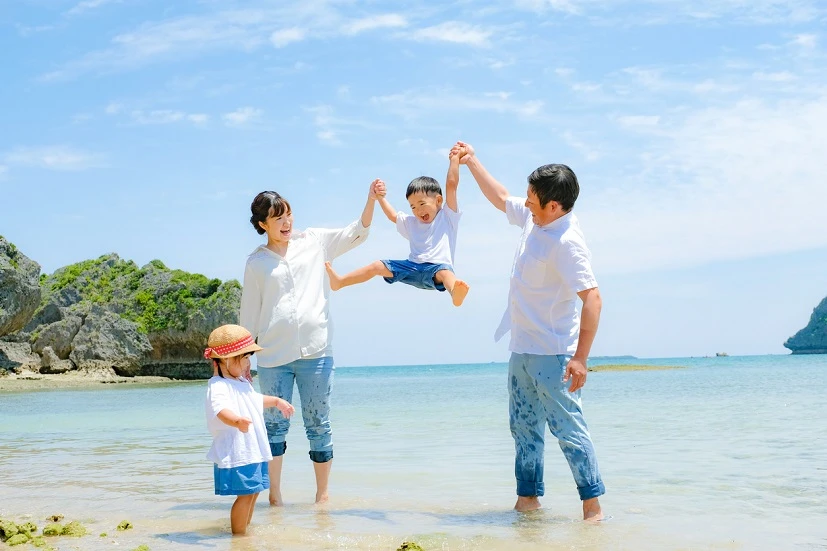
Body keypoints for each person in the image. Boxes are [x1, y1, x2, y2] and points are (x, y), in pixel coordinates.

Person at [455, 141, 606, 520]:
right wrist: (472, 161)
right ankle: (528, 501)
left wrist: (581, 359)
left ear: (554, 205)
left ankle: (593, 509)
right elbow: (501, 196)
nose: (526, 203)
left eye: (533, 199)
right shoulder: (534, 217)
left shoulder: (568, 243)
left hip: (554, 354)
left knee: (569, 431)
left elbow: (593, 299)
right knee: (523, 430)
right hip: (522, 348)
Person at [239, 183, 377, 506]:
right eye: (278, 219)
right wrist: (243, 359)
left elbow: (356, 233)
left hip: (316, 352)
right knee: (274, 427)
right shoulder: (256, 262)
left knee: (319, 423)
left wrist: (370, 200)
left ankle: (322, 495)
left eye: (288, 215)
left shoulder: (313, 241)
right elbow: (249, 313)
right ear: (263, 225)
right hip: (273, 356)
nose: (287, 223)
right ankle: (274, 496)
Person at [324, 149, 470, 307]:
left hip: (436, 269)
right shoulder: (412, 223)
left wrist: (454, 160)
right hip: (411, 268)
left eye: (422, 204)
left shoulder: (447, 218)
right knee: (377, 266)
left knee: (445, 273)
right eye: (413, 207)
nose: (418, 210)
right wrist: (380, 198)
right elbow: (393, 216)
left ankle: (454, 291)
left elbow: (451, 185)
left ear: (438, 200)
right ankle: (340, 282)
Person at [204, 324, 296, 536]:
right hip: (238, 451)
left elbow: (254, 401)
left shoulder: (241, 382)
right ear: (227, 359)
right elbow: (220, 410)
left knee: (254, 492)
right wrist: (236, 421)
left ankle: (244, 531)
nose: (248, 363)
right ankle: (238, 536)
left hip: (252, 449)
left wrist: (276, 401)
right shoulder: (218, 385)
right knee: (245, 495)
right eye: (244, 358)